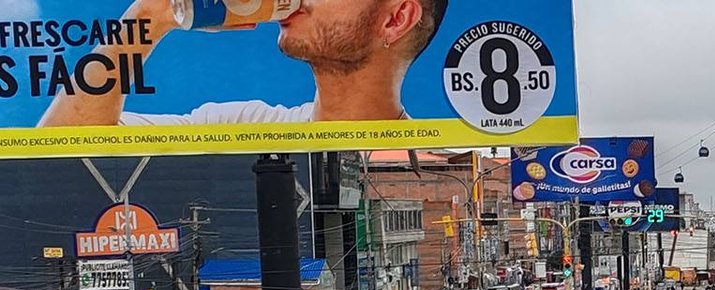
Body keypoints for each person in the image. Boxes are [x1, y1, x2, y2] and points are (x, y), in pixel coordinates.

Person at [44, 0, 449, 127]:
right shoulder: (239, 125)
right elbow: (59, 146)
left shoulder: (433, 153)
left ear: (395, 19)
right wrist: (152, 15)